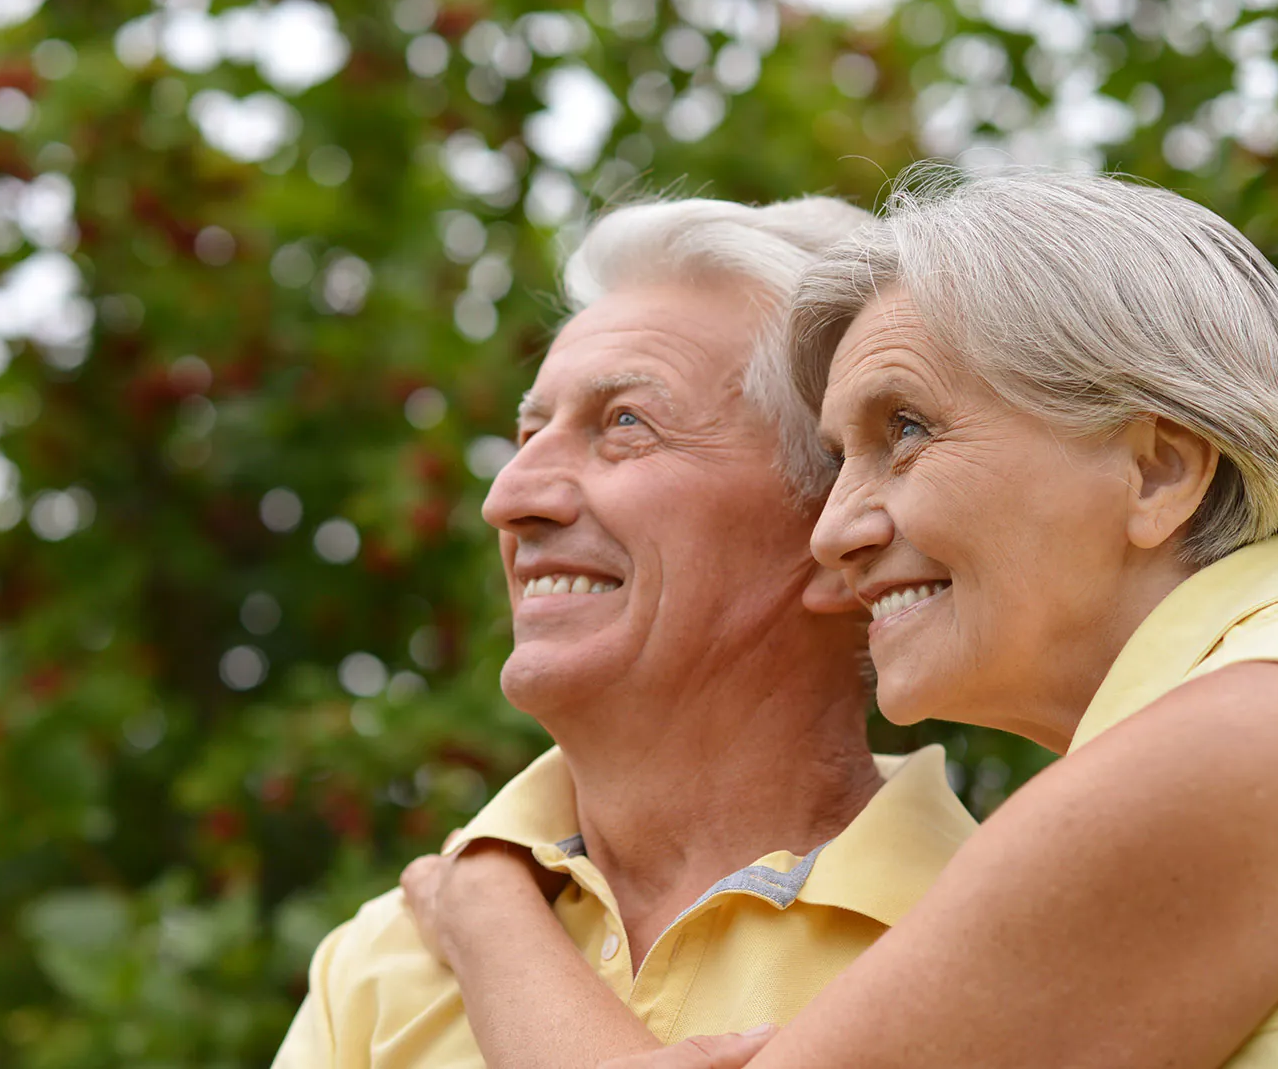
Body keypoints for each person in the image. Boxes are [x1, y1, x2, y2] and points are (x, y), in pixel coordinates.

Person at [402, 169, 1278, 1068]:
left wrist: (491, 907)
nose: (833, 531)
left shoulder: (1266, 732)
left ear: (1157, 469)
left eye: (906, 429)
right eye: (836, 460)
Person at [271, 196, 979, 1068]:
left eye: (624, 425)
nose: (509, 498)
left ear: (839, 530)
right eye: (528, 431)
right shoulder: (381, 959)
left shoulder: (1007, 931)